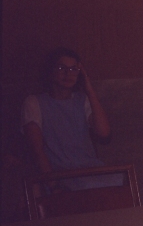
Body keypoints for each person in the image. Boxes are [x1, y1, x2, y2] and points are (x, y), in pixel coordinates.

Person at [21, 47, 117, 190]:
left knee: (118, 180)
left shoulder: (82, 100)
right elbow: (37, 149)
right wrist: (51, 181)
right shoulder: (34, 102)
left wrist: (89, 88)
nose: (68, 74)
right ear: (51, 71)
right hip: (59, 172)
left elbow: (104, 133)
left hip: (88, 168)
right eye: (62, 68)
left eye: (73, 69)